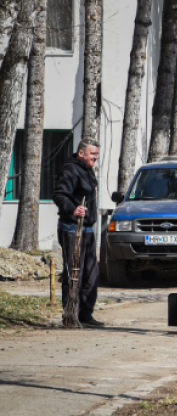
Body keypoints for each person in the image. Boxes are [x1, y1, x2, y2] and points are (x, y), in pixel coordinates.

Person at [53, 138, 104, 327]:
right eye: (93, 154)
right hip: (72, 229)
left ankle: (85, 313)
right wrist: (73, 208)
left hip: (88, 229)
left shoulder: (88, 170)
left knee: (92, 273)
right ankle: (70, 314)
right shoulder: (70, 170)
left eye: (97, 154)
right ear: (81, 153)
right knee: (75, 272)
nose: (95, 157)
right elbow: (59, 195)